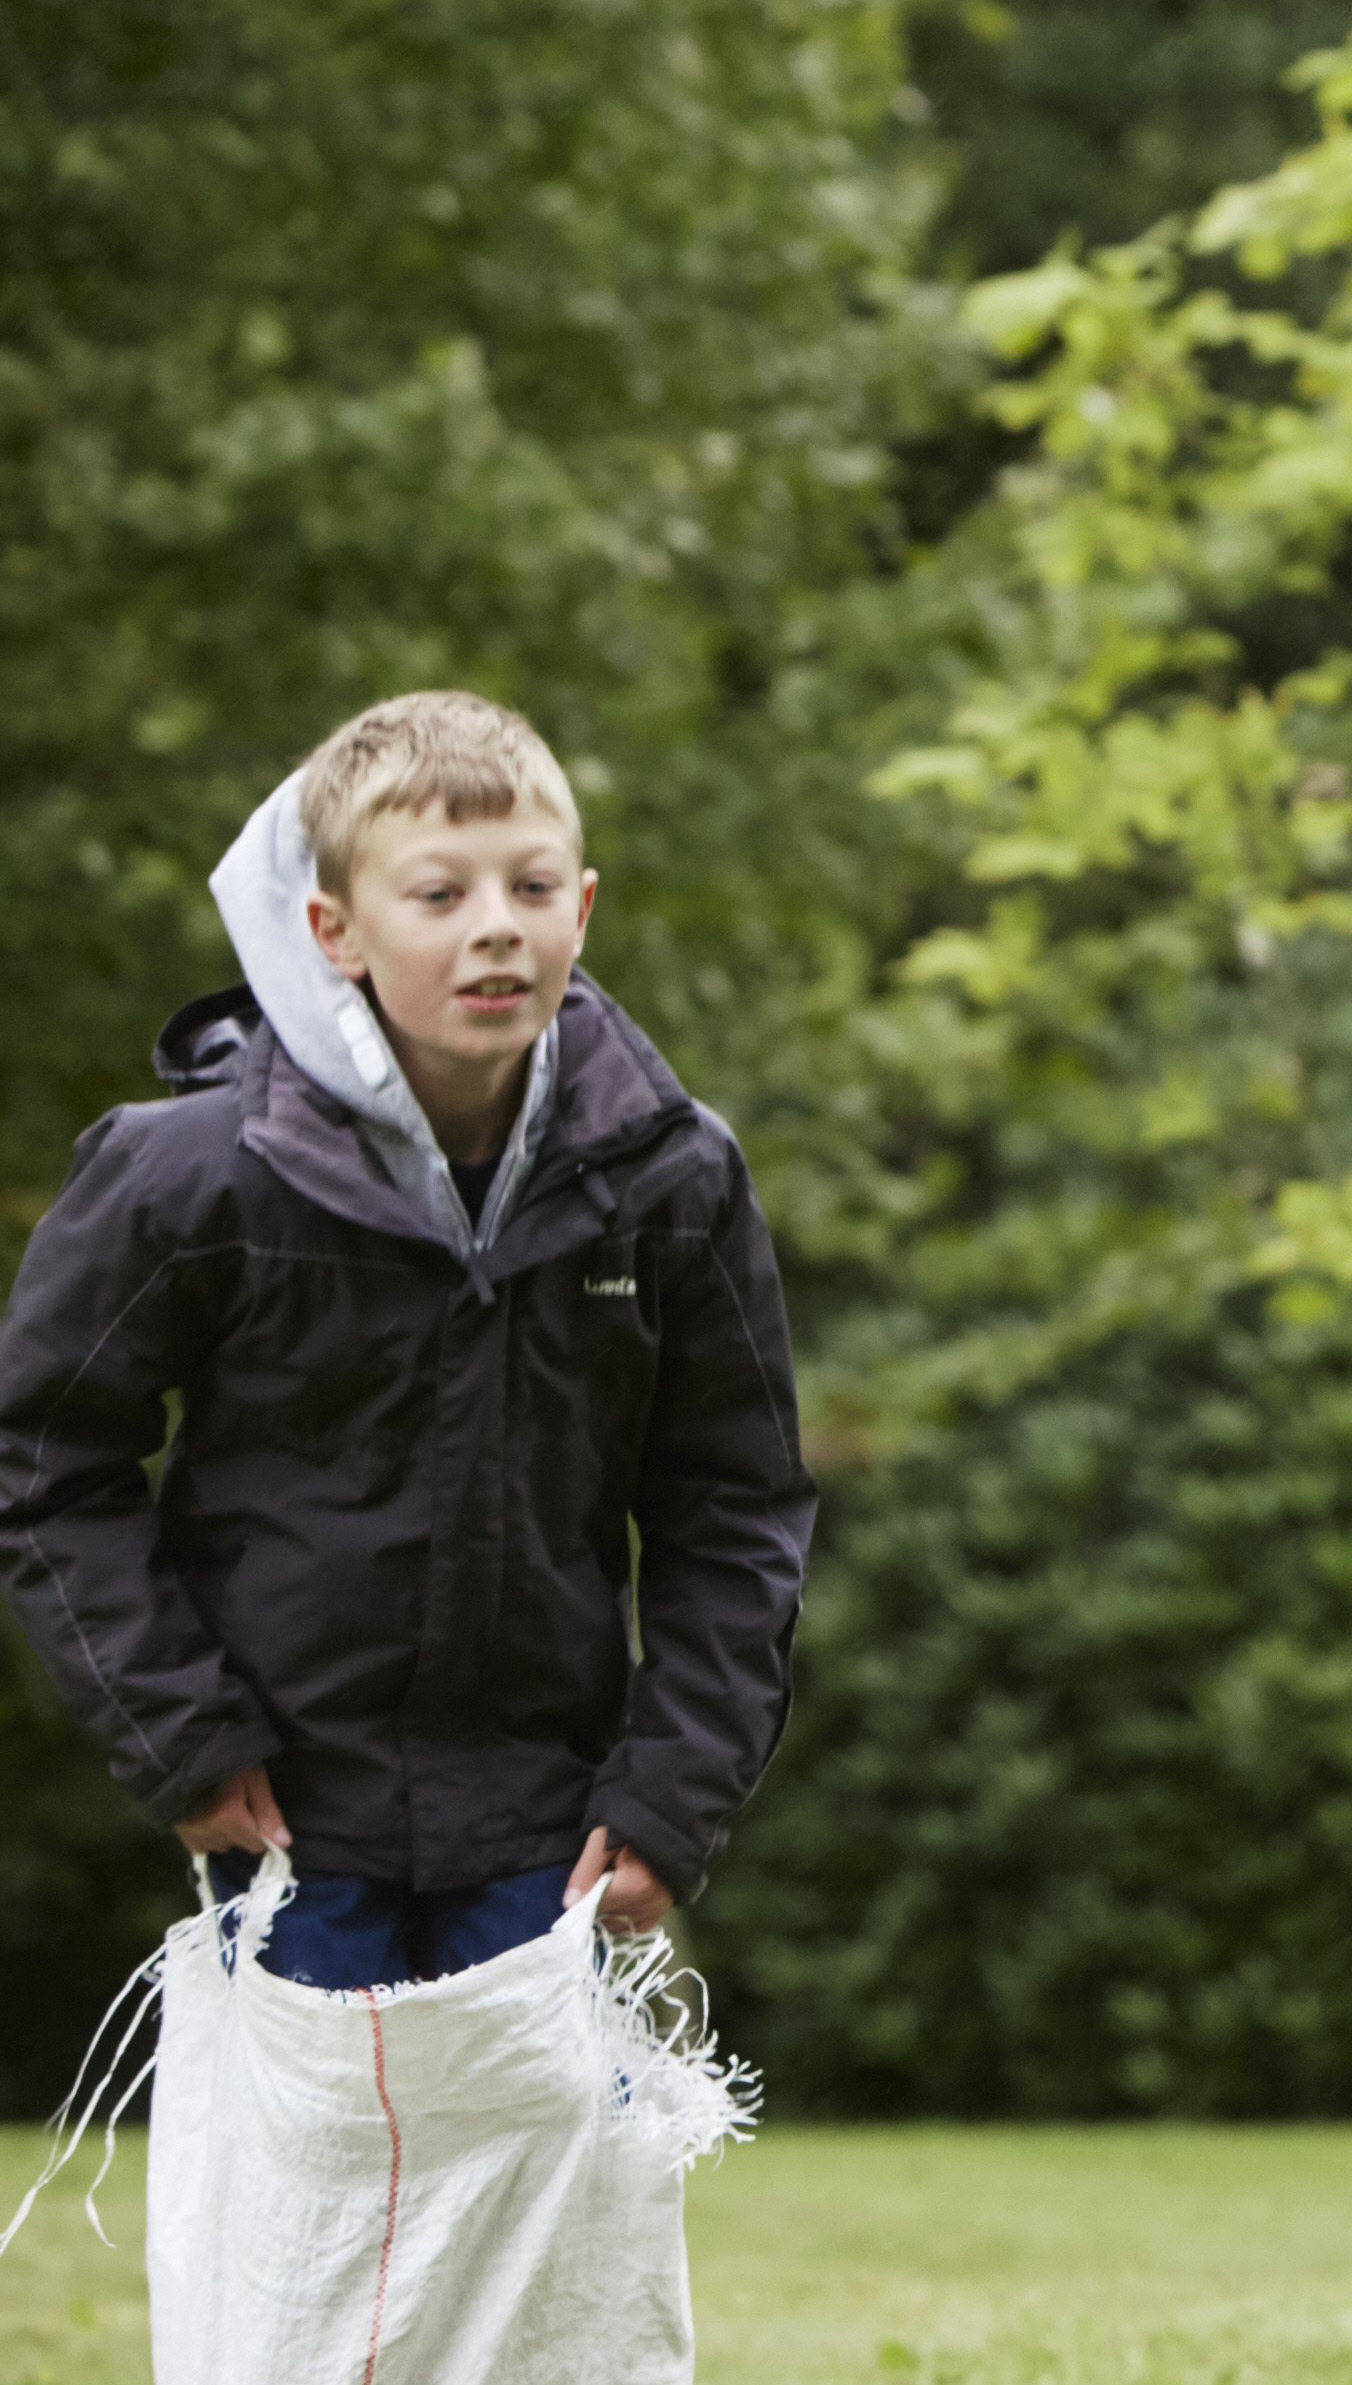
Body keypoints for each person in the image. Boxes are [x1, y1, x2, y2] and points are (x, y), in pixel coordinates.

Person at [0, 692, 814, 1984]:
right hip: (283, 1829)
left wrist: (675, 1793)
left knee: (540, 2185)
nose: (497, 923)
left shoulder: (675, 1179)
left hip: (555, 1838)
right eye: (439, 894)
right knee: (317, 2191)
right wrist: (181, 1737)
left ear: (582, 909)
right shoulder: (188, 1179)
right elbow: (40, 1462)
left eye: (532, 886)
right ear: (336, 931)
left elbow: (738, 1500)